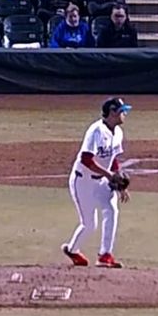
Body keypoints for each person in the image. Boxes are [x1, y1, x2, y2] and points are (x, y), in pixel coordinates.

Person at [62, 97, 132, 269]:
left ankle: (105, 255)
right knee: (89, 225)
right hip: (83, 181)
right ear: (112, 112)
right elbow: (86, 159)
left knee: (112, 210)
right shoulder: (96, 131)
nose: (125, 114)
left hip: (101, 181)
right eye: (122, 111)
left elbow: (113, 158)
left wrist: (119, 183)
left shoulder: (118, 132)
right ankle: (72, 250)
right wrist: (109, 175)